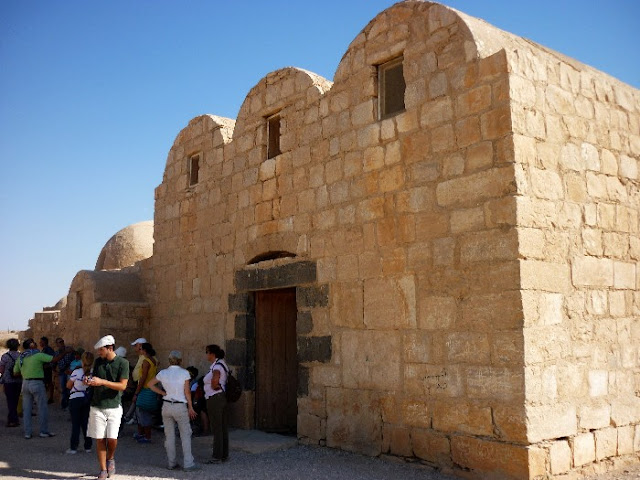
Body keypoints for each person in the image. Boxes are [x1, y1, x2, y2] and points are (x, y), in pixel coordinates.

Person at [86, 335, 129, 480]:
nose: (99, 353)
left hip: (114, 406)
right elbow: (95, 379)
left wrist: (102, 382)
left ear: (110, 348)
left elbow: (122, 386)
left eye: (101, 350)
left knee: (112, 438)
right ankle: (103, 469)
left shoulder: (123, 363)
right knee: (99, 438)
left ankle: (111, 458)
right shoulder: (98, 362)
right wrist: (89, 381)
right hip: (97, 405)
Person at [148, 351, 199, 471]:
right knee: (185, 435)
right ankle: (188, 463)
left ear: (169, 360)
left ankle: (171, 462)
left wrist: (162, 393)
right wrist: (190, 407)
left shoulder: (163, 373)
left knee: (169, 436)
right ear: (180, 361)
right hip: (180, 406)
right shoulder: (184, 373)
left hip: (166, 405)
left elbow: (150, 384)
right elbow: (187, 392)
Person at [13, 338, 56, 439]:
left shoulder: (21, 358)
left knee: (26, 410)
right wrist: (64, 353)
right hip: (37, 382)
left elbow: (15, 373)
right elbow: (53, 359)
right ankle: (43, 431)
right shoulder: (38, 355)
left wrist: (25, 372)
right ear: (32, 345)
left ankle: (28, 433)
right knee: (42, 408)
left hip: (25, 383)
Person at [203, 344, 229, 463]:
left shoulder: (217, 366)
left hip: (215, 398)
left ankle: (217, 456)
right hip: (221, 397)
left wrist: (213, 385)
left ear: (212, 354)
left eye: (207, 352)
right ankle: (223, 454)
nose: (206, 355)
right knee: (222, 427)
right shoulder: (221, 363)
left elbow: (215, 378)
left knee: (217, 427)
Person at [66, 351, 95, 454]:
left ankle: (74, 447)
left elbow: (68, 385)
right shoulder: (93, 372)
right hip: (86, 398)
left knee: (75, 424)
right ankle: (88, 446)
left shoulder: (77, 372)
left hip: (75, 398)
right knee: (86, 423)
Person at [133, 342, 158, 443]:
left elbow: (143, 378)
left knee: (143, 413)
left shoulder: (146, 362)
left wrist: (136, 392)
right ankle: (143, 434)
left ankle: (146, 436)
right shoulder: (154, 360)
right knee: (145, 413)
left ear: (144, 350)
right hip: (151, 388)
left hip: (145, 389)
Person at [123, 338, 147, 423]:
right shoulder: (141, 356)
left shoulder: (145, 357)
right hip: (137, 383)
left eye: (135, 346)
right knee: (136, 400)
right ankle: (131, 417)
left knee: (137, 400)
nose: (134, 348)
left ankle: (132, 417)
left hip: (142, 384)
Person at [0, 338, 22, 427]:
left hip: (8, 381)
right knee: (16, 400)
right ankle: (13, 418)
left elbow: (1, 369)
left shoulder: (5, 356)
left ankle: (12, 420)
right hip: (18, 380)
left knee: (10, 400)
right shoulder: (21, 356)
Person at [52, 337, 74, 409]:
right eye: (59, 342)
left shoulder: (69, 350)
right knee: (63, 388)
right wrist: (55, 371)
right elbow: (54, 363)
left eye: (62, 342)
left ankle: (69, 404)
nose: (61, 343)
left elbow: (73, 359)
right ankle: (64, 404)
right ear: (57, 344)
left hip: (69, 371)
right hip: (61, 372)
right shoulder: (56, 353)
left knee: (69, 388)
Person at [38, 337, 55, 404]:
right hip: (44, 369)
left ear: (44, 342)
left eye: (41, 341)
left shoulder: (48, 349)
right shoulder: (44, 349)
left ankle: (50, 398)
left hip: (47, 369)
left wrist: (49, 365)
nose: (40, 343)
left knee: (49, 383)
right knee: (45, 383)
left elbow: (53, 359)